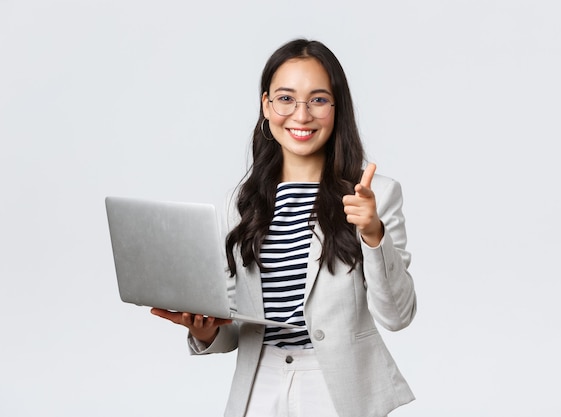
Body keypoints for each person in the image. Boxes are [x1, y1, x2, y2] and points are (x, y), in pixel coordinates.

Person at [151, 38, 417, 417]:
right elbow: (232, 326)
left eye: (319, 99)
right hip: (260, 383)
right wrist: (203, 328)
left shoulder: (376, 195)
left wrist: (374, 234)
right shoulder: (239, 203)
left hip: (337, 388)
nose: (301, 115)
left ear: (337, 109)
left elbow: (397, 315)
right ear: (266, 106)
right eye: (286, 98)